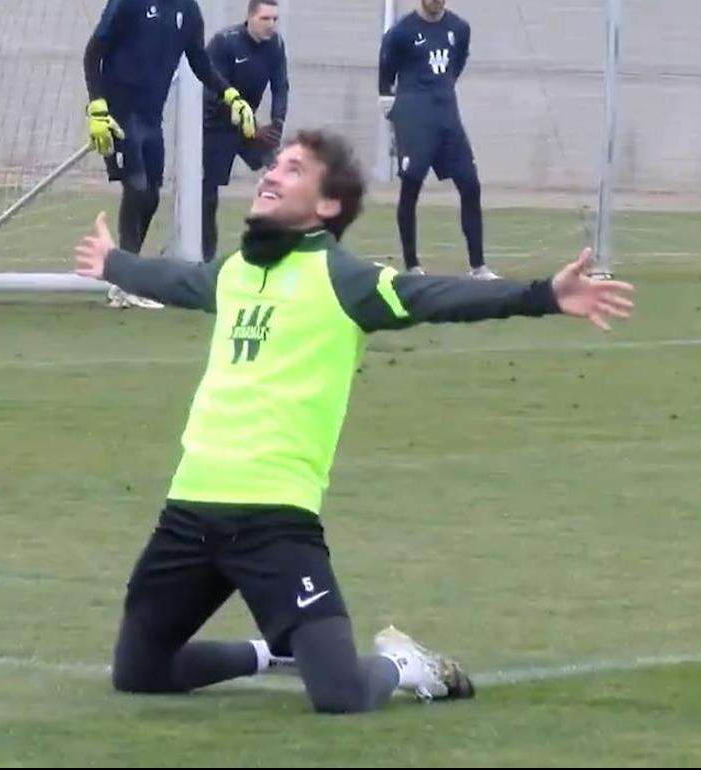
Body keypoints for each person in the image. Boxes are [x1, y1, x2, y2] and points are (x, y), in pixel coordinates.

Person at [73, 128, 635, 714]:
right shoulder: (234, 272)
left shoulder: (345, 281)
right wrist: (114, 263)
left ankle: (404, 663)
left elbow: (434, 296)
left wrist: (542, 294)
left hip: (275, 519)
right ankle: (276, 654)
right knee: (138, 671)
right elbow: (176, 281)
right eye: (274, 164)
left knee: (340, 697)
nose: (270, 174)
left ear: (327, 206)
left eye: (293, 169)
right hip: (189, 512)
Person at [83, 0, 257, 308]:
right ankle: (125, 283)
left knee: (150, 194)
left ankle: (126, 276)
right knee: (136, 188)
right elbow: (94, 51)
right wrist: (97, 105)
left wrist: (231, 95)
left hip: (152, 116)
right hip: (119, 112)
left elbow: (200, 61)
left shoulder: (188, 9)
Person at [379, 0, 493, 278]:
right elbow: (385, 77)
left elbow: (458, 63)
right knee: (411, 186)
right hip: (415, 119)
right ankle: (412, 265)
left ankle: (478, 266)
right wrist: (398, 115)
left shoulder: (459, 28)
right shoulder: (401, 33)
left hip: (447, 118)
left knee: (470, 184)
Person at [201, 0, 289, 261]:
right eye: (265, 19)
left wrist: (276, 123)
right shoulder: (224, 42)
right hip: (216, 126)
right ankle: (204, 257)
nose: (271, 25)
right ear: (249, 17)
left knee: (281, 175)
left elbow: (280, 87)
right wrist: (249, 125)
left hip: (252, 129)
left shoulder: (276, 44)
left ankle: (277, 246)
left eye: (275, 19)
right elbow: (213, 92)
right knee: (208, 195)